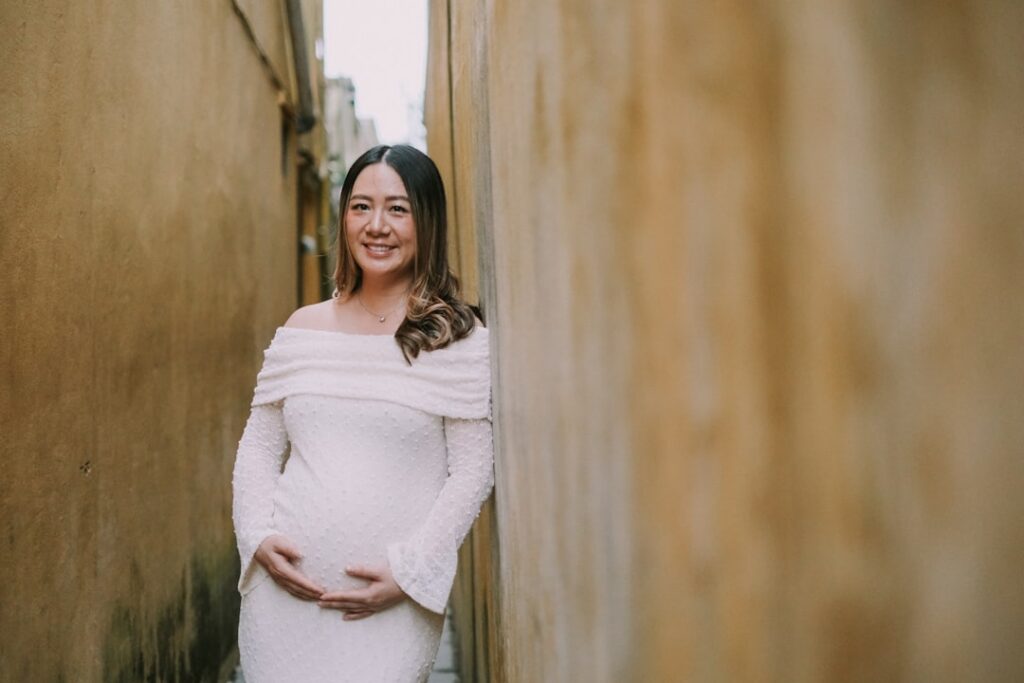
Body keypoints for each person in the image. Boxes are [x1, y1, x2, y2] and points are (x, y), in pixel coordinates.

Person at [231, 144, 494, 682]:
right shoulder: (302, 328)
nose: (377, 226)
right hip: (282, 605)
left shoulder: (458, 339)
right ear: (344, 217)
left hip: (393, 606)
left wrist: (411, 571)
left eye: (398, 208)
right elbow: (259, 447)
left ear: (428, 221)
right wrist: (256, 534)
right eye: (360, 206)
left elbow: (473, 470)